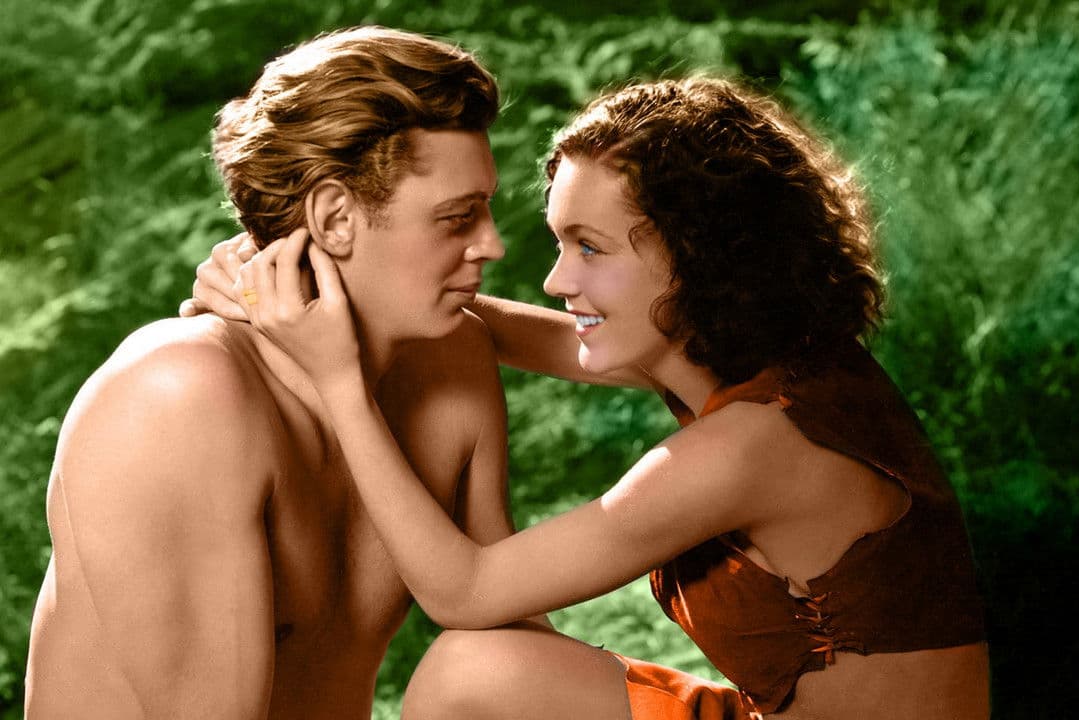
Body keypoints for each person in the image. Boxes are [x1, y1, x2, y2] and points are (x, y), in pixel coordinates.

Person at [192, 77, 989, 718]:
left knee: (471, 669)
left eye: (590, 249)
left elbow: (464, 590)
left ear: (699, 254)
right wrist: (318, 275)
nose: (555, 280)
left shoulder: (752, 447)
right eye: (559, 241)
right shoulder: (766, 359)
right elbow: (489, 323)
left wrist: (338, 381)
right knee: (482, 671)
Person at [23, 26, 529, 719]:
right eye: (457, 218)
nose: (492, 244)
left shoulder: (454, 362)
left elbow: (510, 643)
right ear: (335, 218)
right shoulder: (176, 398)